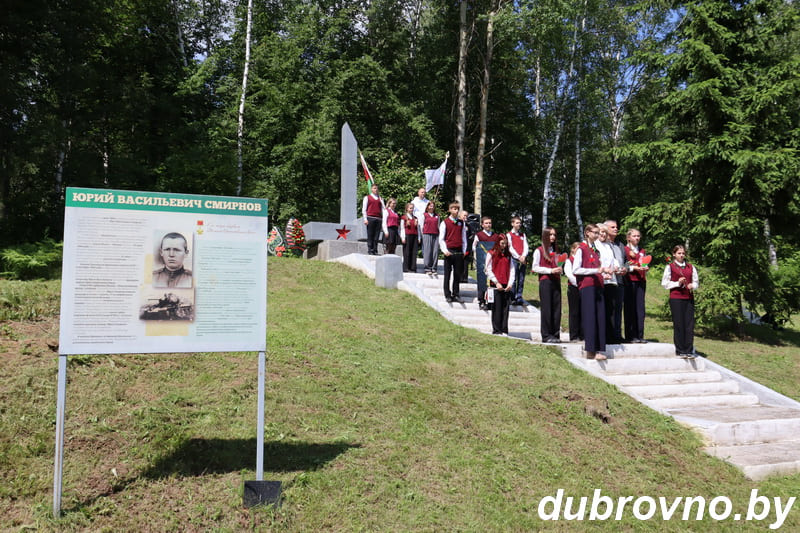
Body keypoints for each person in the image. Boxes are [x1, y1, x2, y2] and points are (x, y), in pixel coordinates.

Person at [573, 224, 612, 360]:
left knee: (600, 317)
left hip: (598, 286)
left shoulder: (595, 250)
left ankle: (600, 349)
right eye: (594, 233)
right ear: (587, 233)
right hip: (587, 287)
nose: (596, 235)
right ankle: (590, 349)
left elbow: (597, 268)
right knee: (590, 317)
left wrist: (604, 273)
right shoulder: (581, 249)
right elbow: (576, 270)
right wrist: (596, 271)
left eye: (598, 233)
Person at [661, 245, 699, 358]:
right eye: (679, 253)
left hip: (688, 298)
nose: (681, 255)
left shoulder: (691, 267)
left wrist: (693, 285)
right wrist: (677, 283)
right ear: (674, 254)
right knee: (679, 324)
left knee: (689, 324)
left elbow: (696, 281)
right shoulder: (670, 267)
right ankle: (680, 349)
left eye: (683, 253)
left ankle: (689, 349)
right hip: (676, 298)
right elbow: (665, 284)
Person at [531, 226, 563, 343]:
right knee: (547, 308)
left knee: (556, 308)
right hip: (545, 281)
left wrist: (560, 269)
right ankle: (546, 335)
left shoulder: (556, 251)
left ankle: (555, 334)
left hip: (556, 280)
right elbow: (535, 267)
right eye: (550, 235)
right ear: (545, 236)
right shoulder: (539, 250)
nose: (553, 237)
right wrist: (550, 270)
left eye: (554, 235)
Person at [596, 223, 623, 344]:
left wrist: (616, 268)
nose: (603, 234)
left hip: (611, 280)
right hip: (600, 280)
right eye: (601, 232)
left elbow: (614, 261)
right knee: (602, 310)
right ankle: (602, 337)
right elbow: (595, 263)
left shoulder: (608, 246)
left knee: (611, 310)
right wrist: (603, 272)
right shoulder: (594, 246)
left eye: (605, 232)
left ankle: (611, 336)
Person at [485, 236, 515, 335]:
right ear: (498, 243)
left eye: (505, 243)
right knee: (496, 308)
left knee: (505, 308)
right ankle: (497, 330)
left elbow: (512, 269)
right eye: (502, 243)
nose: (504, 246)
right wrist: (496, 282)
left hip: (506, 285)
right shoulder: (491, 253)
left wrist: (510, 283)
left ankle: (504, 329)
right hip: (496, 284)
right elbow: (487, 269)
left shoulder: (508, 255)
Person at [438, 202, 467, 303]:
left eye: (457, 209)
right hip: (449, 251)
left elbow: (464, 237)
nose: (456, 210)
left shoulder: (461, 222)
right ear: (450, 210)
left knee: (457, 274)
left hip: (458, 251)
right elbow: (441, 239)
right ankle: (447, 294)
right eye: (453, 209)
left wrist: (464, 250)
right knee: (447, 274)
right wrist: (445, 250)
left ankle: (456, 293)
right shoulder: (445, 222)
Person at [624, 228, 649, 343]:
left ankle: (640, 335)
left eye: (638, 236)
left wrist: (645, 268)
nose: (637, 238)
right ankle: (630, 335)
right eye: (634, 236)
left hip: (641, 281)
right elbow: (623, 265)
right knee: (630, 307)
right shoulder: (624, 249)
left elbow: (643, 263)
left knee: (640, 308)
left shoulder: (642, 251)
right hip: (629, 280)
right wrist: (634, 268)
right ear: (628, 237)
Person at [604, 219, 627, 343]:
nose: (616, 229)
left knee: (618, 309)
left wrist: (625, 269)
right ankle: (608, 335)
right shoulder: (603, 245)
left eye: (616, 227)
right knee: (609, 309)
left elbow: (627, 261)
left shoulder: (620, 245)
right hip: (607, 281)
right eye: (612, 227)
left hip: (620, 281)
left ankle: (617, 335)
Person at [473, 216, 502, 310]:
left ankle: (491, 302)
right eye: (486, 223)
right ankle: (481, 301)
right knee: (482, 280)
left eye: (489, 223)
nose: (488, 225)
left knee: (492, 280)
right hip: (482, 262)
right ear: (482, 224)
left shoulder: (495, 236)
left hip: (493, 263)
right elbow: (474, 247)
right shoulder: (479, 235)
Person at [506, 216, 529, 306]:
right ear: (512, 224)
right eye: (517, 223)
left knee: (521, 278)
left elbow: (526, 246)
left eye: (520, 223)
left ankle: (519, 297)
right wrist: (518, 256)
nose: (519, 224)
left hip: (522, 259)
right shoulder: (509, 235)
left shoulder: (523, 235)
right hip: (514, 259)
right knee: (513, 278)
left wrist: (523, 255)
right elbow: (510, 247)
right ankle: (512, 298)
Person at [564, 242, 584, 342]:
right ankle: (574, 335)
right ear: (573, 249)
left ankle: (582, 334)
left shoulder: (581, 260)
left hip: (582, 288)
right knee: (574, 312)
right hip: (574, 287)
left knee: (583, 311)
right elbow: (569, 274)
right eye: (577, 248)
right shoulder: (569, 260)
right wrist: (579, 283)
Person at [362, 183, 385, 255]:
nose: (376, 189)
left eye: (377, 188)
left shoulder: (380, 198)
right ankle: (370, 249)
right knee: (370, 235)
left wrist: (383, 219)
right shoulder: (367, 197)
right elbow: (364, 209)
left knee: (377, 236)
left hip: (378, 218)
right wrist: (365, 219)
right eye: (374, 188)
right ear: (371, 189)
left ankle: (375, 249)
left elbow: (383, 209)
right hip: (370, 218)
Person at [421, 201, 440, 276]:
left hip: (435, 235)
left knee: (435, 252)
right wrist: (421, 236)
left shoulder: (437, 216)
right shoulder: (424, 215)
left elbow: (438, 226)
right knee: (427, 251)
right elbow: (421, 226)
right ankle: (427, 268)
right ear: (427, 207)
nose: (431, 207)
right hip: (426, 234)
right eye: (430, 206)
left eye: (433, 206)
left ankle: (434, 268)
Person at [400, 202, 420, 272]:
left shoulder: (415, 218)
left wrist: (419, 237)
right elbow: (402, 228)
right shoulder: (404, 217)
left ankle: (413, 267)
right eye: (410, 208)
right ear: (407, 209)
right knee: (407, 252)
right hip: (407, 236)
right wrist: (403, 237)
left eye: (412, 208)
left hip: (415, 236)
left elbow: (418, 229)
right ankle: (406, 268)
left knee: (414, 252)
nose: (412, 209)